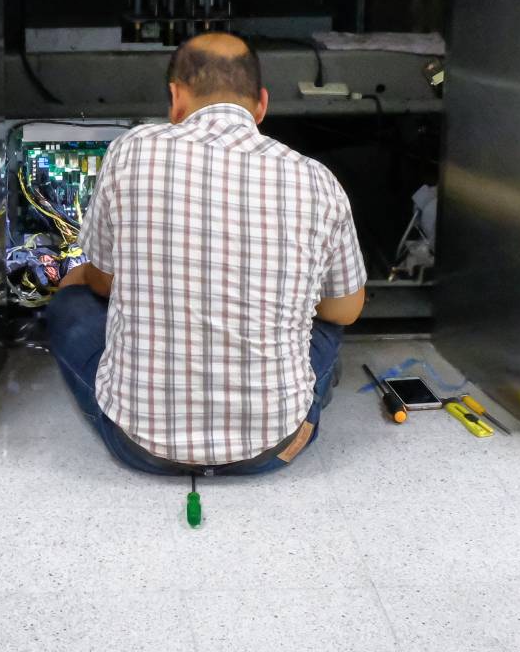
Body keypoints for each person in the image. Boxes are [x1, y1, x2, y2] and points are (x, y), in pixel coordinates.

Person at [47, 31, 366, 475]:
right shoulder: (317, 180)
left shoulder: (131, 151)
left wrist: (79, 279)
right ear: (261, 105)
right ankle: (294, 398)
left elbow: (104, 281)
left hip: (138, 444)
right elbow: (347, 309)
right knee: (326, 330)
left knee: (72, 304)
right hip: (273, 446)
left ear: (176, 98)